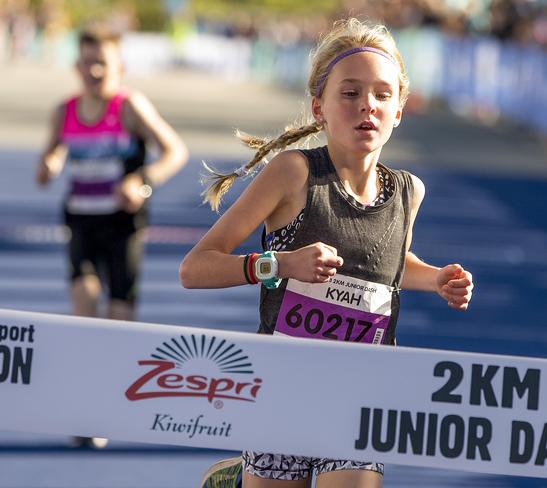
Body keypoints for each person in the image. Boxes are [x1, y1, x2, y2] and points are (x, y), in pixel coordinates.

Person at [180, 17, 473, 488]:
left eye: (382, 95)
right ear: (319, 108)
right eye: (350, 93)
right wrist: (281, 265)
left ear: (400, 110)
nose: (367, 107)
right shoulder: (293, 174)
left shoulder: (407, 192)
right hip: (281, 386)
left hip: (361, 390)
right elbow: (195, 269)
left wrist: (435, 278)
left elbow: (385, 267)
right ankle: (243, 475)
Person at [35, 25, 188, 447]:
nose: (95, 70)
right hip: (81, 223)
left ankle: (103, 410)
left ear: (119, 66)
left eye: (103, 62)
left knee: (117, 328)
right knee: (85, 318)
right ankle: (84, 412)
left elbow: (175, 151)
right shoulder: (63, 110)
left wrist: (143, 181)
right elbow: (52, 153)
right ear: (76, 66)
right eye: (87, 62)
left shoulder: (130, 107)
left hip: (123, 227)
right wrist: (48, 164)